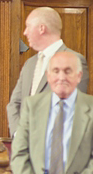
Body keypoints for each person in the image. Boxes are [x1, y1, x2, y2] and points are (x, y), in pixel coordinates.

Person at [11, 51, 93, 174]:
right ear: (48, 76)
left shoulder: (91, 108)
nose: (61, 77)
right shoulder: (32, 106)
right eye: (56, 71)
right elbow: (19, 152)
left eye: (68, 71)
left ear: (79, 76)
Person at [7, 7, 89, 136]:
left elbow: (72, 107)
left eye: (28, 26)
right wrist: (18, 134)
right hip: (25, 149)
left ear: (41, 28)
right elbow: (14, 104)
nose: (25, 32)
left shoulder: (74, 59)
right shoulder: (30, 64)